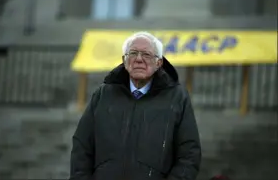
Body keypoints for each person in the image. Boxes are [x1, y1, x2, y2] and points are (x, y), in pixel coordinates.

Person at [69, 31, 201, 180]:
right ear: (124, 60)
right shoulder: (103, 95)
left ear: (159, 63)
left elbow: (189, 155)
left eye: (146, 55)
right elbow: (82, 148)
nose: (139, 59)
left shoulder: (177, 98)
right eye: (133, 53)